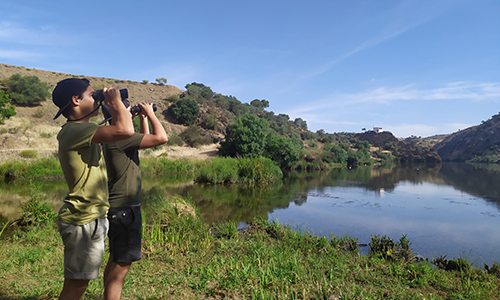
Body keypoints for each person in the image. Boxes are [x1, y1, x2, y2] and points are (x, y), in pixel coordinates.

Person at [52, 78, 134, 300]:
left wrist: (113, 106)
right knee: (77, 285)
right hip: (83, 219)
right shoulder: (77, 130)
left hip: (89, 218)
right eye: (92, 95)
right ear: (76, 100)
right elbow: (126, 130)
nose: (96, 98)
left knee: (79, 281)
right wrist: (115, 101)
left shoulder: (81, 130)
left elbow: (119, 131)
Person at [102, 101, 168, 300]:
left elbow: (144, 140)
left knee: (115, 259)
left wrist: (142, 118)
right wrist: (151, 113)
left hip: (118, 208)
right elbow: (161, 138)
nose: (131, 113)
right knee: (122, 266)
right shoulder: (121, 139)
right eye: (127, 111)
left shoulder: (114, 136)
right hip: (126, 209)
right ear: (117, 115)